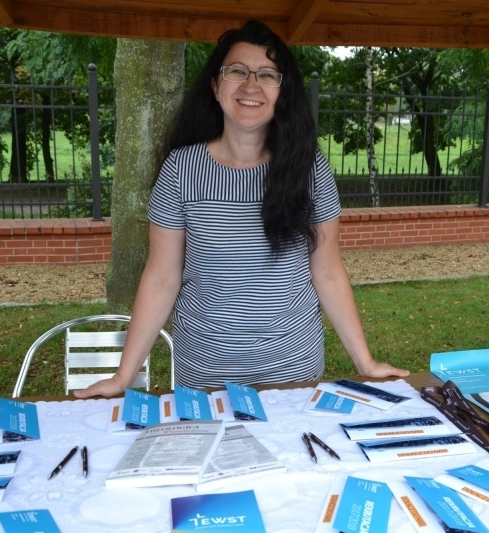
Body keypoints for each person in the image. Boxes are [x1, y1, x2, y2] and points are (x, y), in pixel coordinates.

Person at [75, 20, 409, 397]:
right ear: (216, 86)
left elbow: (328, 273)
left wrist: (365, 363)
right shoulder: (181, 169)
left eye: (267, 74)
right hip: (203, 376)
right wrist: (123, 377)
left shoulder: (309, 168)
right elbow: (161, 278)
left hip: (292, 373)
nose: (251, 85)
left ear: (283, 93)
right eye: (237, 71)